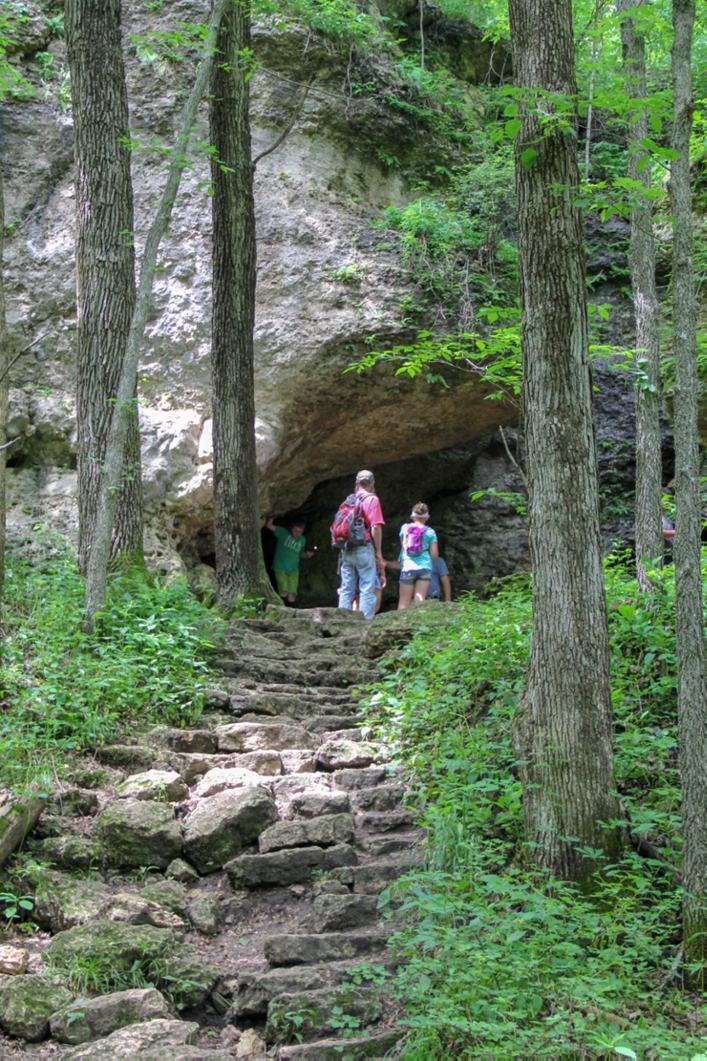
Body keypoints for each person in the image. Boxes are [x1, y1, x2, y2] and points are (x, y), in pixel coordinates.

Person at [337, 470, 385, 621]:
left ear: (356, 484)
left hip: (347, 548)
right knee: (366, 587)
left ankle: (341, 620)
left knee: (346, 587)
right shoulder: (372, 500)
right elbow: (376, 527)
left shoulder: (349, 500)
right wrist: (378, 551)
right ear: (372, 484)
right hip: (364, 547)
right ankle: (365, 622)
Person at [397, 502, 438, 610]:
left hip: (408, 567)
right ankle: (419, 625)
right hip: (424, 567)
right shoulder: (430, 532)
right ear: (427, 517)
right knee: (420, 600)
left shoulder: (405, 528)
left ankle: (399, 624)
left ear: (412, 516)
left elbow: (403, 547)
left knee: (404, 601)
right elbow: (434, 554)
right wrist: (428, 560)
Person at [266, 517, 313, 606]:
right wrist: (272, 515)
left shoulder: (302, 539)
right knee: (283, 591)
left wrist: (307, 555)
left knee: (292, 593)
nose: (297, 534)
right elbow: (269, 526)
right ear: (291, 528)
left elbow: (300, 554)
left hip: (294, 569)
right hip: (280, 567)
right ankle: (280, 610)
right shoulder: (283, 533)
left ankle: (290, 612)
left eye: (300, 532)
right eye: (295, 531)